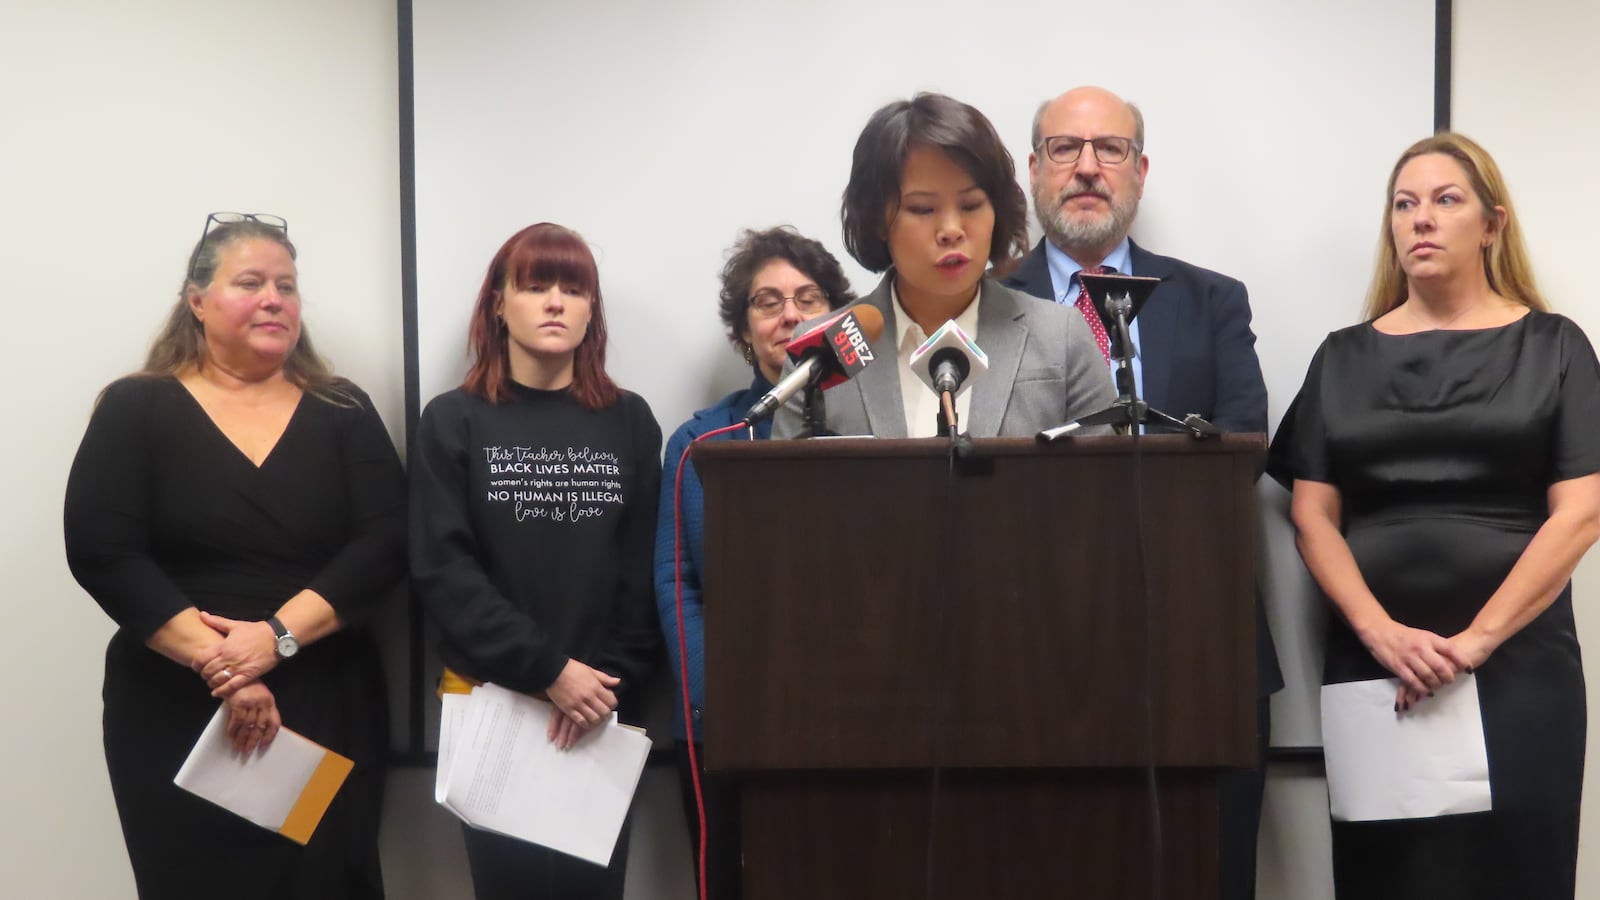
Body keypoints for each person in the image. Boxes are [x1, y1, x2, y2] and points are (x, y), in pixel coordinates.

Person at [1270, 133, 1600, 899]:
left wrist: (1475, 643)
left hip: (1518, 667)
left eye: (1445, 201)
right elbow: (1312, 518)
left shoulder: (1555, 346)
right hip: (1379, 670)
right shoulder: (1342, 357)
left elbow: (1581, 515)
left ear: (1491, 224)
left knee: (1516, 872)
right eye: (1404, 204)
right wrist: (1382, 635)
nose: (1420, 219)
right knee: (1390, 877)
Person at [63, 213, 406, 899]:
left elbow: (387, 542)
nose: (274, 299)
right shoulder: (136, 408)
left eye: (287, 285)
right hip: (177, 702)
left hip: (322, 697)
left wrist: (274, 641)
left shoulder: (343, 409)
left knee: (325, 882)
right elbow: (104, 552)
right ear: (197, 301)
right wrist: (227, 664)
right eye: (250, 282)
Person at [1001, 85, 1281, 900]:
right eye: (1064, 149)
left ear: (1141, 170)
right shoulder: (986, 304)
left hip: (1198, 639)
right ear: (1032, 171)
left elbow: (1243, 445)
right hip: (1031, 648)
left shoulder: (1210, 299)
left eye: (1110, 150)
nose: (1087, 168)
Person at [410, 222, 663, 900]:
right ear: (499, 304)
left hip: (601, 713)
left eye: (573, 288)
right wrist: (549, 671)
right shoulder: (453, 420)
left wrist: (600, 685)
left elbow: (644, 572)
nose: (556, 302)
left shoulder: (631, 422)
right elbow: (444, 572)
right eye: (536, 285)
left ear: (591, 312)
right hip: (495, 707)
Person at [654, 226, 854, 898]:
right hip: (731, 729)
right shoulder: (701, 440)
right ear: (745, 330)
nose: (790, 314)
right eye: (768, 302)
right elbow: (677, 584)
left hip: (859, 721)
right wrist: (724, 707)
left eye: (807, 297)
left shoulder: (877, 431)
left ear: (836, 314)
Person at [772, 92, 1114, 439]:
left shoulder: (1062, 337)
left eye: (971, 205)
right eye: (923, 209)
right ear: (878, 219)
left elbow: (1104, 485)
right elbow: (785, 489)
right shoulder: (821, 352)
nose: (952, 230)